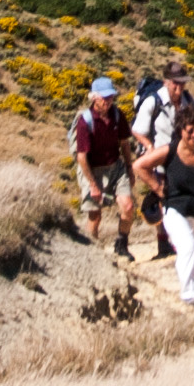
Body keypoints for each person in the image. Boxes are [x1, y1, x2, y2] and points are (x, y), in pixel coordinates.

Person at [132, 115, 194, 309]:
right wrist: (159, 189)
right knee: (187, 246)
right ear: (180, 131)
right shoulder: (170, 150)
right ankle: (188, 296)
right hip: (175, 208)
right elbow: (139, 165)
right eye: (190, 131)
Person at [70, 76, 135, 263]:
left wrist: (129, 168)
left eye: (111, 97)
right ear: (94, 98)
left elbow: (124, 143)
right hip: (92, 170)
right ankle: (92, 255)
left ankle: (121, 245)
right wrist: (92, 185)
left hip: (116, 167)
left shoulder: (117, 115)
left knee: (128, 206)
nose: (108, 102)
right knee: (95, 216)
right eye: (104, 98)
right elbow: (82, 157)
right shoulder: (85, 122)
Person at [131, 60, 194, 236]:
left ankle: (179, 234)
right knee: (164, 196)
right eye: (176, 82)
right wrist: (149, 147)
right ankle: (163, 240)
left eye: (183, 82)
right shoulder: (153, 101)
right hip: (160, 159)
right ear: (166, 82)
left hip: (183, 157)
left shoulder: (188, 100)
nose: (180, 86)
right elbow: (138, 130)